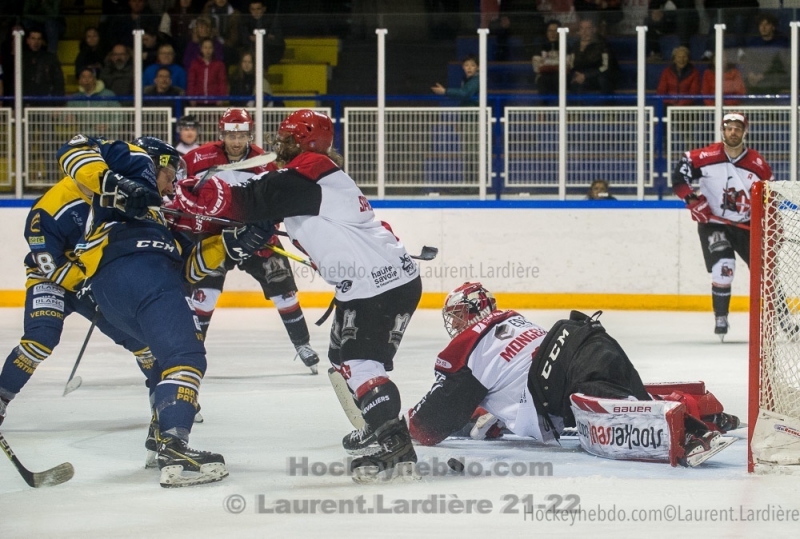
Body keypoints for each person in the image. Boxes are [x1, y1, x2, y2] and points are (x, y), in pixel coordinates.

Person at [172, 109, 423, 481]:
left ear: (307, 142)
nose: (279, 144)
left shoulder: (310, 172)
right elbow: (272, 205)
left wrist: (186, 194)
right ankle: (377, 422)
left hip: (376, 286)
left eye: (288, 138)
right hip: (381, 281)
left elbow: (254, 197)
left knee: (360, 365)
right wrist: (252, 229)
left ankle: (396, 448)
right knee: (341, 358)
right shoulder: (312, 176)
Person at [55, 134, 244, 487]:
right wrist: (117, 182)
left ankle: (158, 441)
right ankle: (177, 451)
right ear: (156, 162)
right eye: (170, 173)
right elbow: (73, 148)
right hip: (141, 274)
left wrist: (231, 244)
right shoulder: (135, 157)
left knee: (163, 358)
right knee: (186, 355)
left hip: (115, 293)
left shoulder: (160, 216)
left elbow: (189, 268)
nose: (173, 183)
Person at [406, 282, 739, 468]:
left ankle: (692, 434)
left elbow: (429, 425)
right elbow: (498, 393)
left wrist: (402, 425)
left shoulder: (467, 347)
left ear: (468, 314)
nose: (453, 326)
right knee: (630, 396)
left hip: (556, 378)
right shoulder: (511, 320)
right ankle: (707, 411)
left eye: (455, 317)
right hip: (585, 334)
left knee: (621, 415)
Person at [0, 175, 156, 428]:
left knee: (142, 340)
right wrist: (85, 283)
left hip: (92, 279)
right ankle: (1, 398)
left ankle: (166, 403)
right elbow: (47, 262)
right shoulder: (50, 206)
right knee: (40, 339)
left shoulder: (114, 194)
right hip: (50, 279)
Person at [175, 108, 320, 373]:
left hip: (256, 235)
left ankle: (303, 344)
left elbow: (278, 200)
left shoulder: (266, 161)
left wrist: (266, 226)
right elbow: (182, 192)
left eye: (242, 135)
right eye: (231, 135)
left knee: (284, 291)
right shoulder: (198, 157)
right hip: (214, 236)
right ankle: (192, 352)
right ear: (222, 134)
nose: (236, 141)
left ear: (249, 134)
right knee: (204, 295)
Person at [672, 112, 773, 338]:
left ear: (744, 132)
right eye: (729, 128)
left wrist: (771, 224)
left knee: (766, 272)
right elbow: (680, 174)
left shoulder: (757, 164)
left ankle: (782, 317)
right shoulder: (706, 156)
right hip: (714, 223)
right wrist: (692, 201)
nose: (733, 132)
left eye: (738, 128)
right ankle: (721, 317)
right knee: (724, 267)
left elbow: (771, 197)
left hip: (745, 226)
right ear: (723, 130)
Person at [567, 17, 615, 103]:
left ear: (594, 29)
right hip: (580, 75)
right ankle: (574, 115)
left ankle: (608, 114)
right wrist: (577, 75)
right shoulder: (575, 45)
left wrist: (586, 75)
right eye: (582, 28)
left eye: (588, 28)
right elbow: (571, 64)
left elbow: (606, 66)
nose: (585, 32)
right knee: (575, 83)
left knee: (604, 81)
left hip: (597, 76)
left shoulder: (602, 44)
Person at [21, 28, 64, 107]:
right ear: (28, 40)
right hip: (25, 102)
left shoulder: (50, 58)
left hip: (45, 103)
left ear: (42, 41)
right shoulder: (20, 58)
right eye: (33, 38)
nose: (36, 42)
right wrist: (13, 106)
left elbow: (58, 82)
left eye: (39, 39)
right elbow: (14, 83)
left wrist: (58, 104)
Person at [187, 36, 228, 106]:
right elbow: (191, 82)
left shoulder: (219, 64)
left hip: (214, 102)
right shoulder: (194, 64)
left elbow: (222, 82)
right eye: (205, 47)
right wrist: (191, 97)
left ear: (213, 49)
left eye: (210, 48)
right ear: (201, 49)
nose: (207, 50)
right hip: (198, 101)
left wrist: (221, 97)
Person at [531, 20, 561, 101]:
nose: (553, 33)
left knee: (559, 79)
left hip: (559, 76)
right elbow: (537, 67)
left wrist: (546, 62)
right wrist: (556, 63)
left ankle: (562, 111)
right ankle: (542, 111)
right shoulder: (540, 46)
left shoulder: (566, 46)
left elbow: (567, 64)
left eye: (555, 31)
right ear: (546, 32)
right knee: (543, 80)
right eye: (550, 31)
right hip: (544, 77)